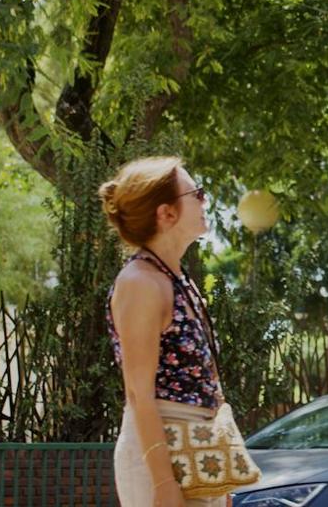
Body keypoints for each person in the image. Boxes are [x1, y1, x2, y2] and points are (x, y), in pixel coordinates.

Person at [101, 156, 229, 507]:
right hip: (159, 456)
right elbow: (139, 393)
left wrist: (224, 474)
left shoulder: (178, 280)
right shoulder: (140, 283)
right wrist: (162, 482)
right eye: (197, 194)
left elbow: (207, 382)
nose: (204, 201)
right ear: (166, 213)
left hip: (199, 450)